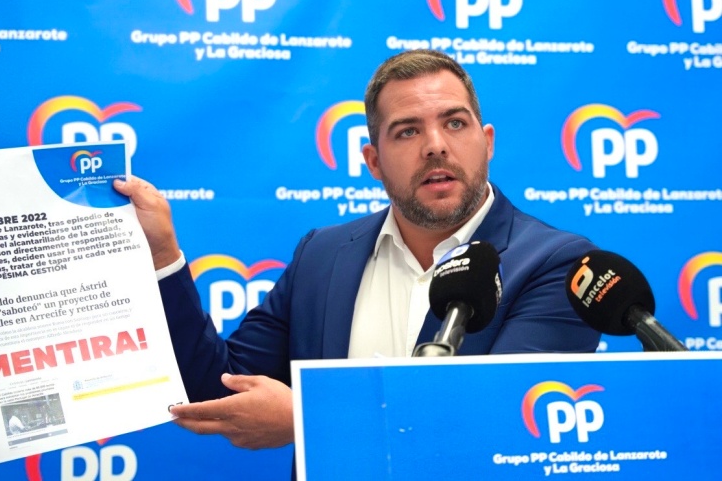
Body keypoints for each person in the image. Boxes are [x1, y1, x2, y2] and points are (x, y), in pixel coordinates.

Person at [113, 49, 600, 451]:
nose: (435, 145)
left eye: (454, 123)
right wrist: (162, 256)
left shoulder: (557, 264)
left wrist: (308, 420)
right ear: (373, 161)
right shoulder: (323, 255)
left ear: (486, 142)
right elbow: (217, 389)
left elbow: (507, 421)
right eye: (407, 131)